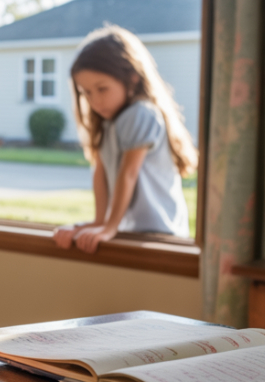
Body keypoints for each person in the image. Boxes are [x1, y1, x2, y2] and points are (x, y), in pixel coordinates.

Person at [53, 25, 196, 254]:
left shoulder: (141, 114)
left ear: (132, 78)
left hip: (158, 234)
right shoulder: (108, 124)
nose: (95, 101)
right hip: (129, 231)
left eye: (102, 89)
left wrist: (109, 227)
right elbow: (100, 173)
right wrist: (99, 221)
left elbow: (128, 173)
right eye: (86, 92)